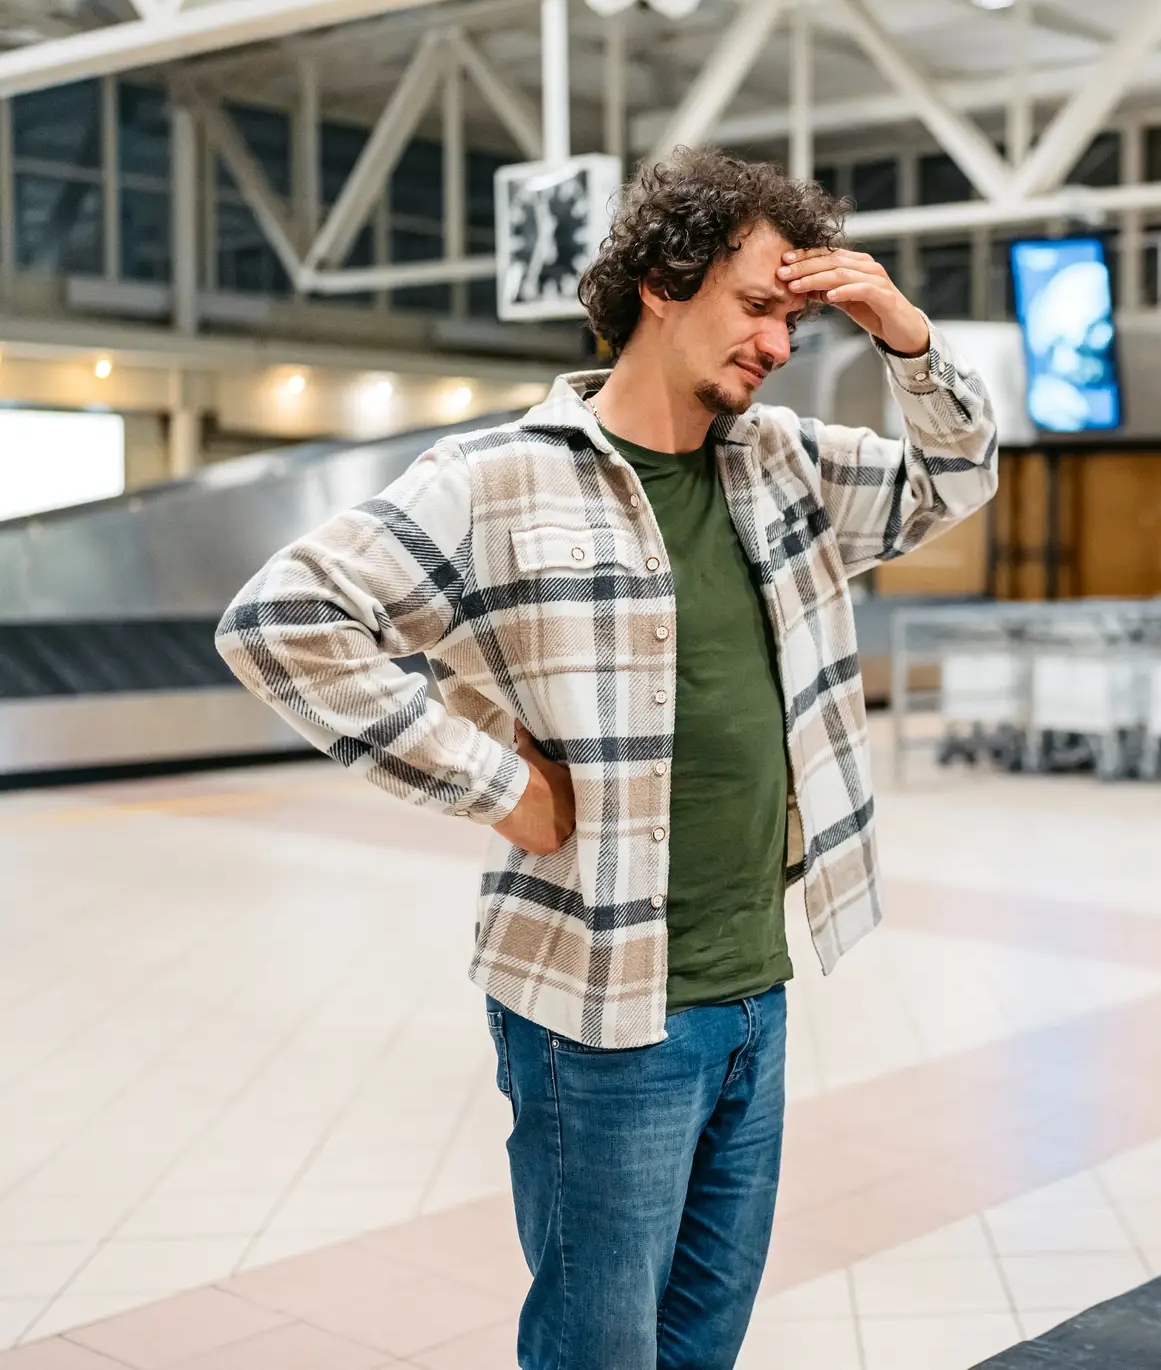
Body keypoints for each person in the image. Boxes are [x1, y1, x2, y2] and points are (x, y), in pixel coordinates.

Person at [215, 150, 998, 1370]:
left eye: (794, 319)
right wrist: (502, 788)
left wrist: (902, 335)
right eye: (758, 307)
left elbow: (956, 477)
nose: (780, 345)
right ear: (661, 285)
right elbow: (282, 622)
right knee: (601, 1351)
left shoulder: (780, 463)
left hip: (755, 991)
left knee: (703, 1342)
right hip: (598, 1011)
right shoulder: (499, 478)